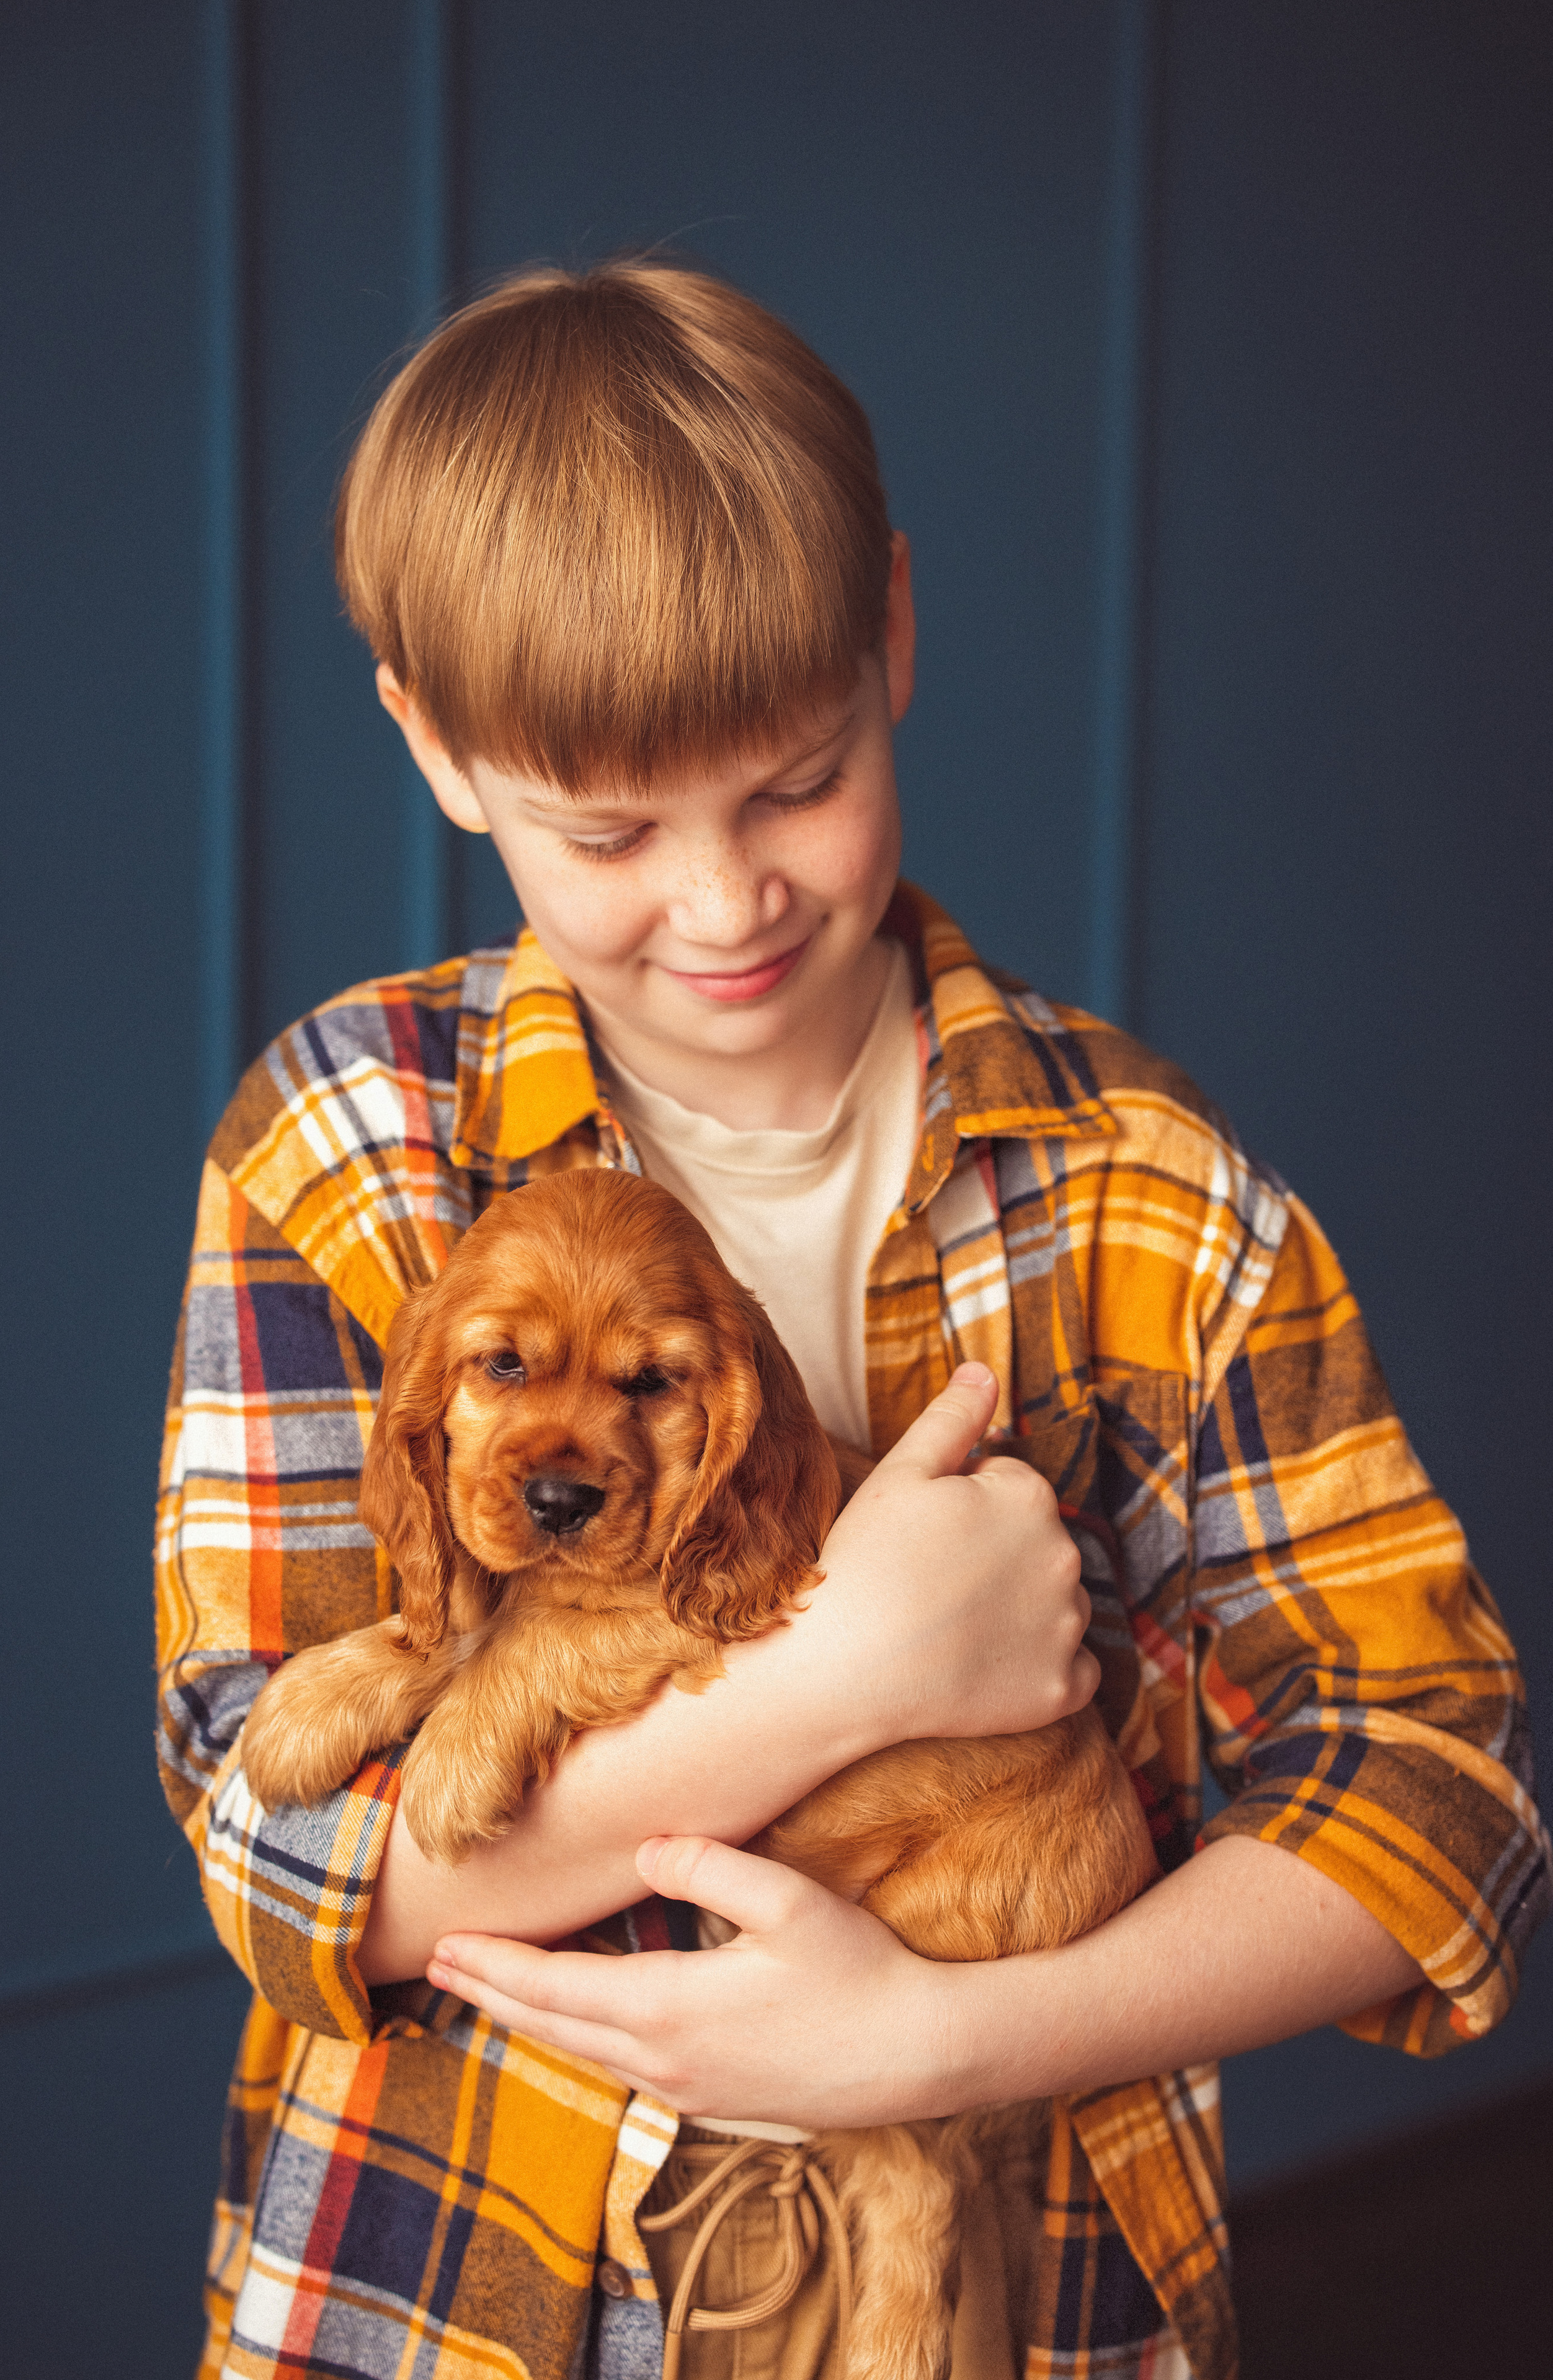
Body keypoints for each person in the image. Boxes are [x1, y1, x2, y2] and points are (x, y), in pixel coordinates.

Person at [155, 261, 1547, 2380]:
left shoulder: (1145, 1192)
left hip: (1024, 2279)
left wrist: (941, 2040)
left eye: (796, 781)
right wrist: (860, 1673)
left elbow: (1440, 1789)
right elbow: (286, 1860)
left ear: (892, 629)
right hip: (441, 2292)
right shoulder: (343, 1146)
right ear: (433, 746)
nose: (723, 905)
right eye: (609, 831)